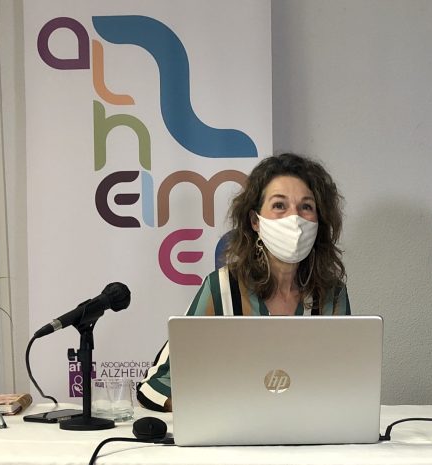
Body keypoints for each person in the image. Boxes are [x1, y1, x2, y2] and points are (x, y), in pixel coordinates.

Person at [137, 152, 350, 412]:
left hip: (310, 439)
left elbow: (345, 383)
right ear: (255, 221)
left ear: (319, 221)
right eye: (279, 205)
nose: (294, 219)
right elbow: (154, 384)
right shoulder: (221, 288)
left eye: (306, 206)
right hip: (236, 444)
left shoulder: (332, 294)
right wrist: (218, 411)